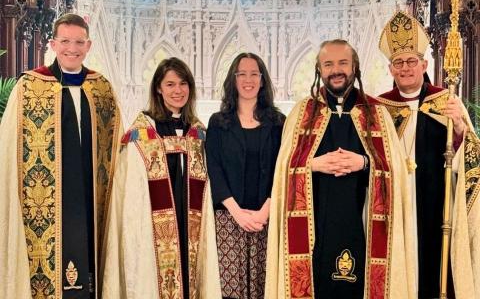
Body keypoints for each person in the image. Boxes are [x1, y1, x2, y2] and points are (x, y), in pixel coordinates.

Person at [265, 39, 415, 298]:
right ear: (319, 70)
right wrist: (311, 165)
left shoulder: (377, 113)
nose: (336, 70)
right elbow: (283, 170)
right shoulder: (302, 112)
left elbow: (397, 172)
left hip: (362, 227)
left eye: (343, 63)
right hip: (316, 230)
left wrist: (365, 163)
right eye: (329, 64)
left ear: (355, 66)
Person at [0, 13, 123, 299]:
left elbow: (117, 146)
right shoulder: (30, 87)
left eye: (79, 42)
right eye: (65, 41)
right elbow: (7, 145)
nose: (72, 48)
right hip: (42, 208)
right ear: (53, 44)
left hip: (91, 199)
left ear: (89, 45)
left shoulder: (101, 89)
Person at [377, 10, 480, 298]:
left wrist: (460, 129)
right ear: (391, 69)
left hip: (436, 206)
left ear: (424, 64)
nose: (406, 67)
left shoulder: (446, 101)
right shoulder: (379, 108)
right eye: (399, 62)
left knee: (435, 272)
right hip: (394, 205)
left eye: (412, 61)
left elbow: (472, 162)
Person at [102, 57, 221, 299]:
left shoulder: (198, 133)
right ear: (158, 87)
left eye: (183, 83)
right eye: (170, 84)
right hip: (151, 235)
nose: (178, 90)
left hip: (190, 228)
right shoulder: (141, 134)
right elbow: (130, 195)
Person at [206, 53, 285, 299]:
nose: (248, 80)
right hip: (228, 221)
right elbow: (214, 169)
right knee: (229, 291)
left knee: (265, 288)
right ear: (234, 79)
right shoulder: (218, 123)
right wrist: (237, 213)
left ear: (262, 80)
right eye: (242, 74)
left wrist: (265, 211)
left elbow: (281, 170)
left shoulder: (278, 122)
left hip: (267, 219)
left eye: (254, 74)